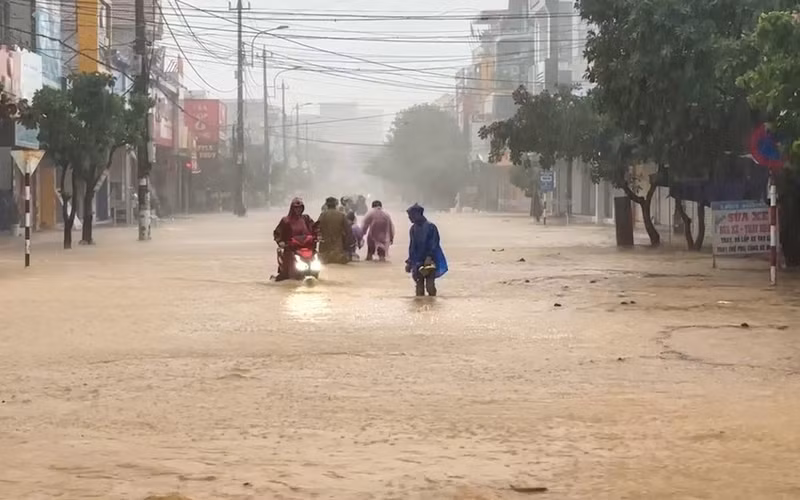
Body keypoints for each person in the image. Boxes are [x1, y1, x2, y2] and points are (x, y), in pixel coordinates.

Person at [405, 203, 448, 297]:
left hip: (430, 261)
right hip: (418, 262)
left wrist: (429, 257)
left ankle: (433, 304)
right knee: (419, 287)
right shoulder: (413, 229)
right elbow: (412, 246)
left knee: (430, 286)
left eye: (410, 216)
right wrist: (409, 262)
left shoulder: (431, 227)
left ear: (418, 214)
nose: (409, 218)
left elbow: (434, 243)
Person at [272, 197, 316, 281]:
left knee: (315, 257)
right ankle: (283, 277)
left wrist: (318, 236)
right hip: (291, 249)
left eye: (300, 208)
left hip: (306, 248)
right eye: (296, 208)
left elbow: (315, 228)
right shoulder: (286, 220)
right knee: (285, 274)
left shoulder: (306, 218)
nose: (298, 210)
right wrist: (280, 241)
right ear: (292, 208)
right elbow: (277, 233)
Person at [317, 196, 352, 264]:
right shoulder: (341, 215)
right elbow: (348, 231)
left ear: (327, 205)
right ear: (336, 204)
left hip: (325, 250)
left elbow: (317, 228)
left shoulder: (323, 215)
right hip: (338, 249)